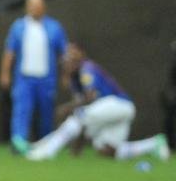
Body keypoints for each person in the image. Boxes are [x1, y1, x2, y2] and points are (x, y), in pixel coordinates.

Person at [25, 43, 170, 162]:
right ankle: (154, 144)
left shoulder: (87, 69)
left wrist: (67, 108)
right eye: (67, 57)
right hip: (114, 112)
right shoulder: (75, 78)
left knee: (77, 117)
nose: (69, 59)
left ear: (80, 56)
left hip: (119, 104)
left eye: (72, 55)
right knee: (106, 150)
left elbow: (90, 98)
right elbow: (84, 112)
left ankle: (46, 152)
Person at [0, 0, 68, 153]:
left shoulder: (54, 27)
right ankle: (18, 142)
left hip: (46, 78)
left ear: (43, 7)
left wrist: (65, 75)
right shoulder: (19, 26)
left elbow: (63, 54)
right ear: (26, 7)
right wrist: (5, 73)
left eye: (37, 5)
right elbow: (9, 52)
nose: (34, 9)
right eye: (31, 5)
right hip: (24, 78)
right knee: (21, 110)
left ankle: (47, 144)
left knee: (46, 113)